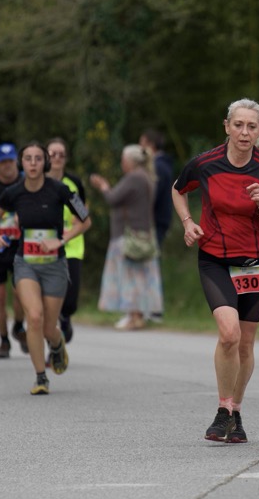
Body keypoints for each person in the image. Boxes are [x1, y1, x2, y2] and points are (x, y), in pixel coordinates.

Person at [172, 98, 259, 444]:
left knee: (246, 342)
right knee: (229, 334)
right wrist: (188, 222)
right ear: (226, 126)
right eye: (238, 125)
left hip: (258, 262)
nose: (244, 132)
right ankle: (222, 409)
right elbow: (178, 190)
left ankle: (236, 412)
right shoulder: (205, 163)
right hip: (216, 258)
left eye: (251, 126)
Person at [0, 142, 90, 395]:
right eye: (28, 158)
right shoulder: (14, 192)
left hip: (55, 265)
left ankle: (56, 344)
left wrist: (61, 240)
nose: (33, 163)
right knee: (34, 317)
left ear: (45, 162)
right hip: (26, 264)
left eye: (38, 158)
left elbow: (85, 220)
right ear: (21, 163)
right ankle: (40, 377)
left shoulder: (60, 190)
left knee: (48, 327)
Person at [92, 145, 163, 333]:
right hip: (144, 234)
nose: (122, 163)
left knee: (129, 277)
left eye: (123, 160)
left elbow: (113, 198)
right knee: (140, 277)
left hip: (128, 235)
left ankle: (134, 315)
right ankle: (137, 315)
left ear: (130, 161)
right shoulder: (147, 177)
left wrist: (104, 187)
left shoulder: (134, 178)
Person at [0, 143, 26, 358]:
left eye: (10, 161)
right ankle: (3, 340)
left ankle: (18, 326)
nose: (7, 166)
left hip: (20, 246)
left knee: (20, 292)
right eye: (3, 162)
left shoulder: (26, 182)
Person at [47, 138, 87, 343]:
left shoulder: (73, 184)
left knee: (70, 299)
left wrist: (76, 222)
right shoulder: (35, 182)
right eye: (52, 154)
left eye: (61, 155)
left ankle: (65, 317)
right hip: (42, 248)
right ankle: (51, 336)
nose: (57, 158)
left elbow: (84, 214)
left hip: (71, 246)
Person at [140, 128, 175, 323]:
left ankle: (153, 309)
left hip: (154, 221)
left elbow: (152, 195)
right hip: (160, 220)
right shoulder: (164, 165)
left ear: (149, 145)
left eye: (142, 144)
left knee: (149, 263)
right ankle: (150, 307)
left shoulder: (158, 167)